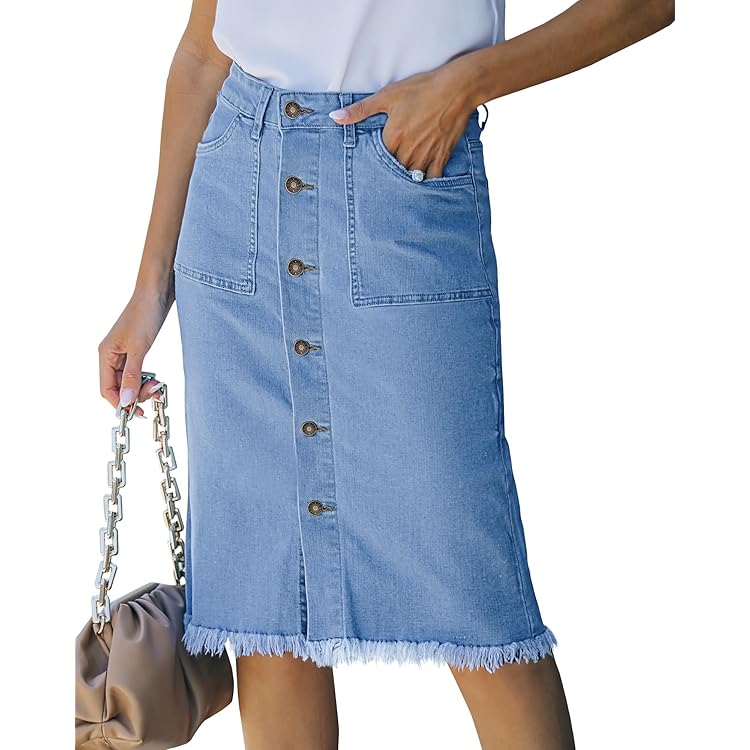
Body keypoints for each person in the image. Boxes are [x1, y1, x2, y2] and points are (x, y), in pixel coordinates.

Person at [98, 1, 674, 747]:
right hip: (236, 206)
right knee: (270, 614)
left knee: (478, 604)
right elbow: (205, 54)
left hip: (401, 186)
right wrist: (150, 289)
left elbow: (642, 6)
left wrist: (464, 84)